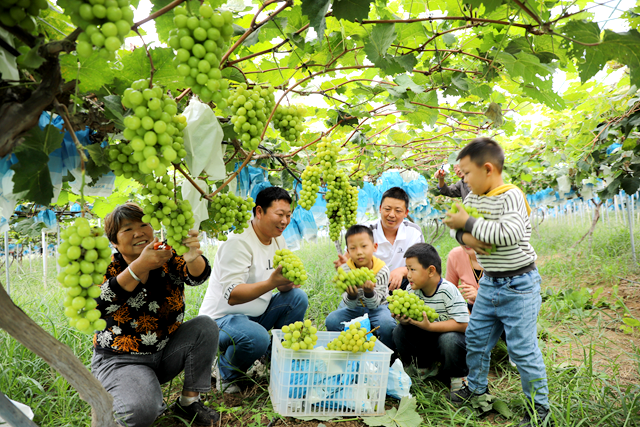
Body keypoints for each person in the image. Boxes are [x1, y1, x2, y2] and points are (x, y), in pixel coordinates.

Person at [443, 137, 550, 427]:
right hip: (490, 282)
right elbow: (459, 235)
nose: (462, 179)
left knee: (522, 349)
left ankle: (539, 410)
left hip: (519, 284)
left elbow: (508, 234)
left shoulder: (511, 195)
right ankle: (476, 388)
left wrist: (469, 226)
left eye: (466, 173)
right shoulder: (473, 198)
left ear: (487, 169)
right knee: (477, 339)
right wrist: (468, 235)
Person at [92, 202, 219, 427]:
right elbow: (100, 304)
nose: (139, 232)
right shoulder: (107, 266)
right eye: (127, 229)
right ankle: (129, 394)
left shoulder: (166, 256)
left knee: (204, 326)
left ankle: (189, 402)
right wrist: (138, 267)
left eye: (144, 224)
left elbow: (197, 276)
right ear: (114, 241)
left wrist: (192, 257)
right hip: (122, 361)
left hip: (165, 352)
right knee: (140, 412)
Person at [199, 187, 308, 394]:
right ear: (259, 212)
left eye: (288, 215)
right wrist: (271, 283)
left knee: (297, 297)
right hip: (221, 321)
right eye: (279, 214)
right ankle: (225, 370)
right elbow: (233, 296)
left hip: (255, 315)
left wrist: (287, 282)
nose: (285, 221)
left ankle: (272, 358)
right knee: (257, 337)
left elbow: (280, 285)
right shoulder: (238, 242)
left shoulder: (278, 239)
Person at [392, 243, 469, 391]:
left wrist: (430, 326)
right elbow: (412, 322)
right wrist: (404, 320)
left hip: (448, 344)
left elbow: (464, 324)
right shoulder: (411, 290)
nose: (408, 275)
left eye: (412, 269)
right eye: (407, 269)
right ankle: (423, 367)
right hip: (426, 341)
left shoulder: (448, 291)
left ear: (431, 271)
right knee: (399, 331)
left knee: (450, 339)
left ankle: (458, 377)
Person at [325, 225, 396, 350]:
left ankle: (389, 354)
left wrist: (369, 293)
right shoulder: (345, 270)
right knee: (332, 320)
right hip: (355, 308)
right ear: (348, 251)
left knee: (387, 325)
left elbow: (374, 305)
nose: (359, 252)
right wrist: (352, 295)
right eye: (353, 248)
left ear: (374, 247)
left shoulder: (381, 270)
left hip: (379, 307)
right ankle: (345, 347)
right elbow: (350, 305)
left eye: (364, 246)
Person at [366, 187, 424, 292]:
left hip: (403, 286)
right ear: (380, 208)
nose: (392, 215)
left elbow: (422, 266)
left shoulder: (414, 232)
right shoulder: (365, 232)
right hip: (369, 287)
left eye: (398, 211)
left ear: (406, 213)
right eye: (387, 209)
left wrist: (402, 271)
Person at [445, 245, 482, 311]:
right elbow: (449, 295)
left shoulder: (499, 255)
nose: (465, 243)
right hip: (470, 309)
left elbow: (505, 298)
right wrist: (467, 315)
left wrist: (479, 296)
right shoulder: (455, 255)